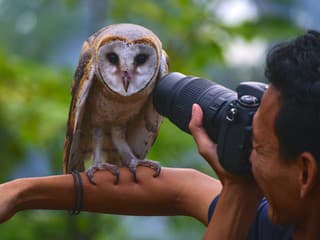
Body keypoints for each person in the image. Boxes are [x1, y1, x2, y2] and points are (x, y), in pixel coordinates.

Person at [0, 30, 320, 240]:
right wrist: (20, 192)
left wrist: (238, 190)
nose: (248, 153)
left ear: (304, 173)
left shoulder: (270, 223)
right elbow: (179, 190)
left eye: (258, 147)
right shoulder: (292, 216)